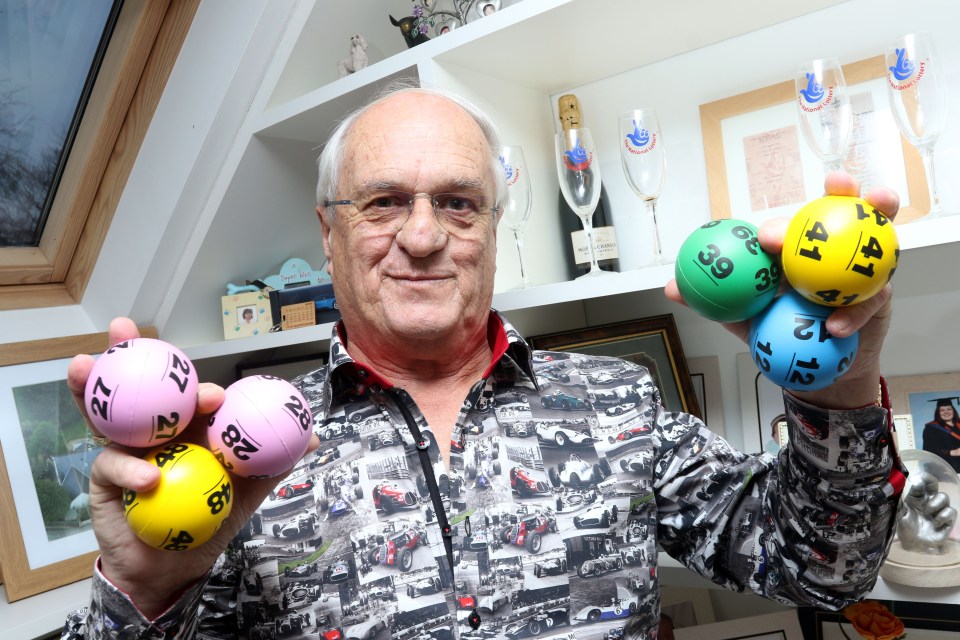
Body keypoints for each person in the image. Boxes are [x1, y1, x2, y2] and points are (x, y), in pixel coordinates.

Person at [63, 82, 918, 639]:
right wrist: (142, 593)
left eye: (459, 203)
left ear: (493, 229)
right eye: (384, 201)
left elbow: (823, 569)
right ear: (328, 233)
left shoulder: (618, 402)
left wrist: (839, 387)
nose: (425, 235)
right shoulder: (235, 451)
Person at [921, 397, 960, 473]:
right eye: (942, 410)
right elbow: (929, 451)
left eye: (949, 409)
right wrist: (952, 452)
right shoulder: (931, 429)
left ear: (953, 411)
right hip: (947, 470)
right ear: (938, 412)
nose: (946, 412)